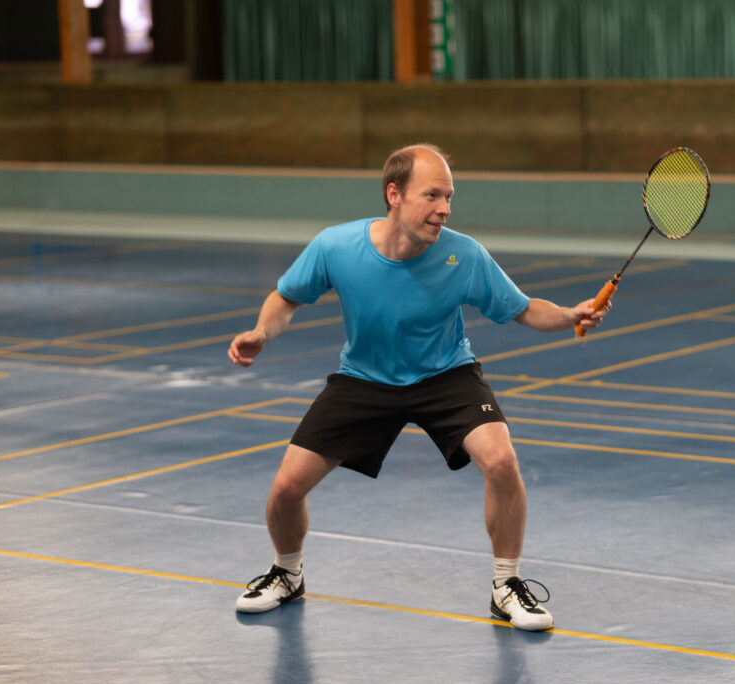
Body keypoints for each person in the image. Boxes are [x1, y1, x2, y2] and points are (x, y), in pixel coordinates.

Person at [227, 143, 608, 631]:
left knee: (501, 460)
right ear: (395, 194)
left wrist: (571, 314)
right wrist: (262, 332)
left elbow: (523, 308)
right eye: (432, 195)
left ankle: (506, 585)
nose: (444, 208)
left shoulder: (463, 255)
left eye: (449, 197)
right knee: (285, 488)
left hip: (444, 375)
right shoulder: (336, 246)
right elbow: (286, 297)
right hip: (364, 378)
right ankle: (287, 573)